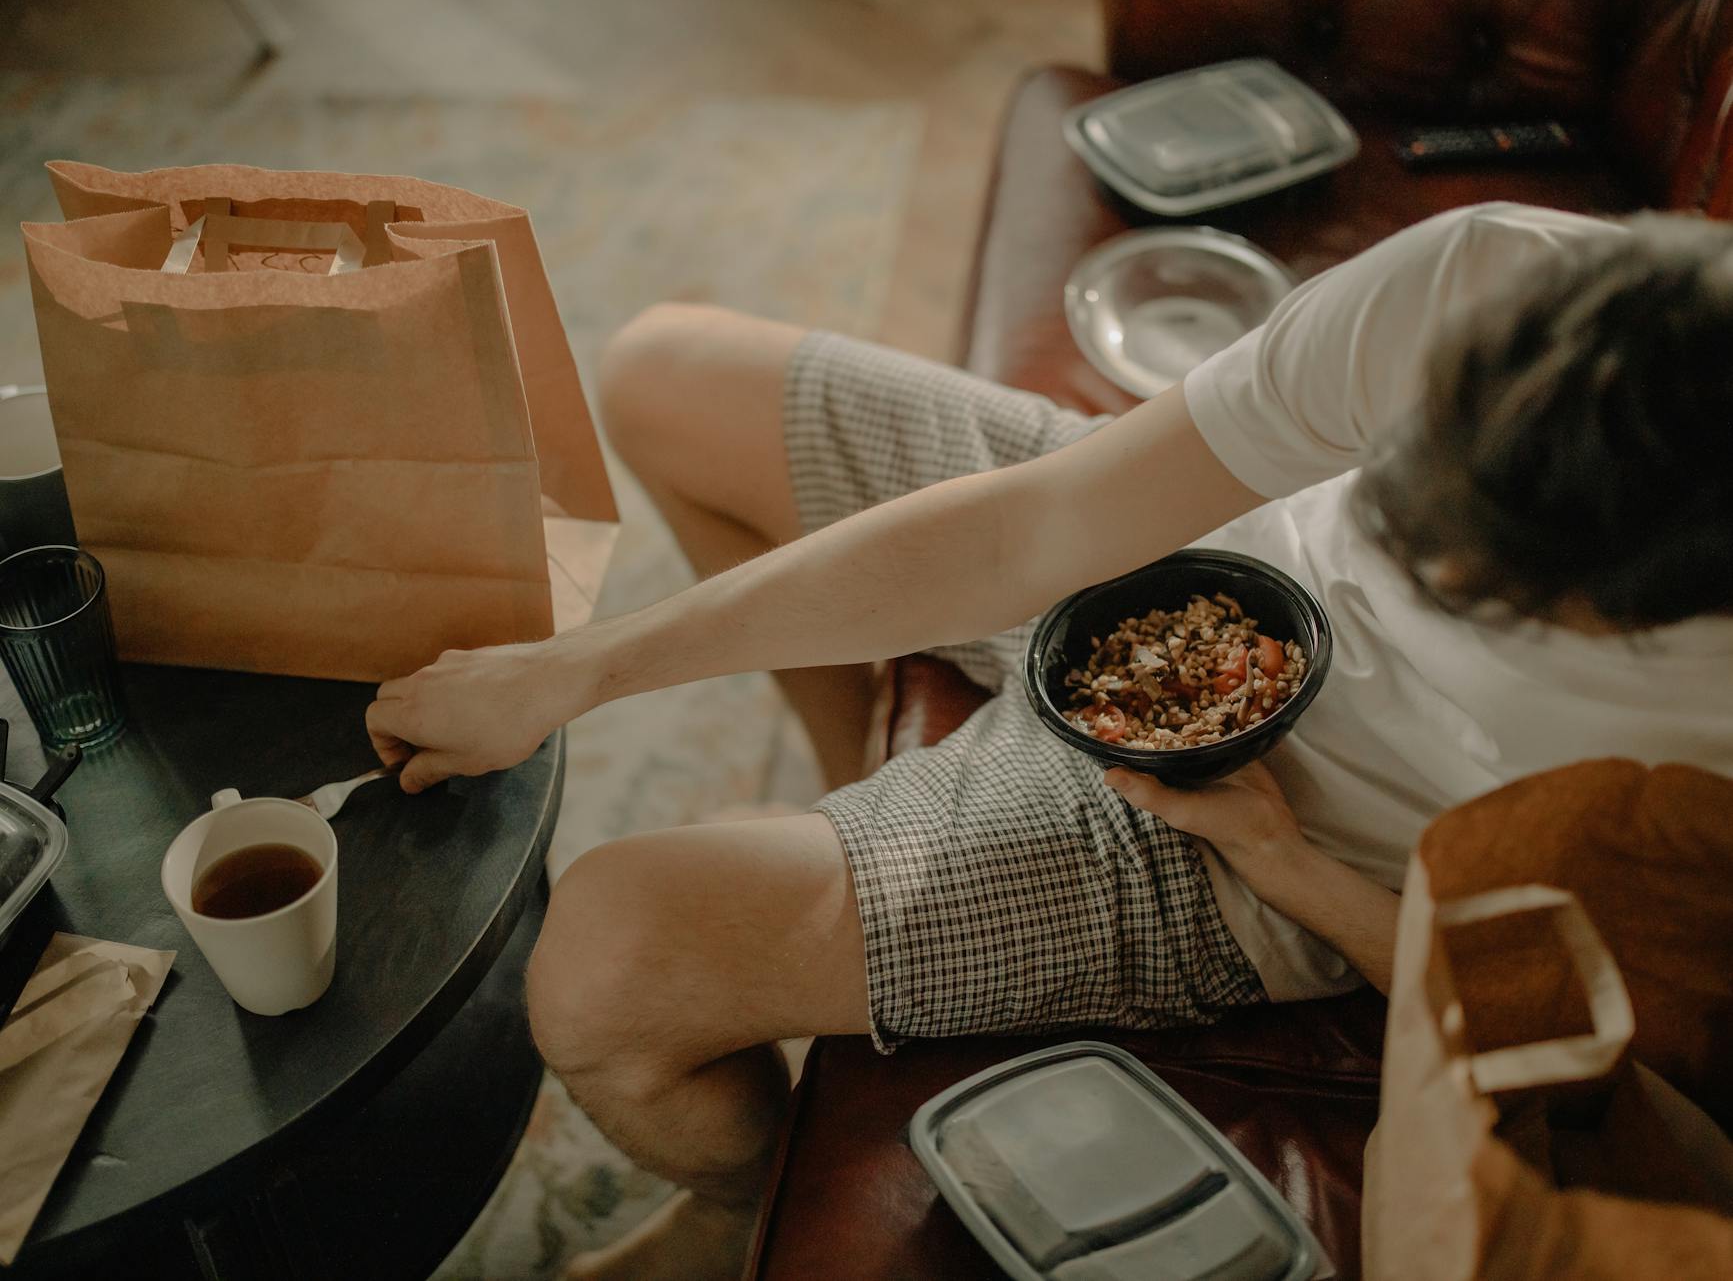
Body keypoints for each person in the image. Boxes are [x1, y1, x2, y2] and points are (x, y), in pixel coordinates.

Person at [364, 202, 1733, 1280]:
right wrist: (580, 671)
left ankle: (740, 1202)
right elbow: (1040, 529)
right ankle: (880, 807)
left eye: (1473, 601)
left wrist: (1283, 864)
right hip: (1207, 559)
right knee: (665, 371)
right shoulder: (1481, 276)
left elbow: (1575, 1019)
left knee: (603, 958)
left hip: (1279, 847)